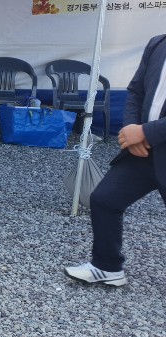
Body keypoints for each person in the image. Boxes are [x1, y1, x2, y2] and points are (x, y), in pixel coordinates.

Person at [65, 34, 166, 287]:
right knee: (105, 199)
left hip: (149, 139)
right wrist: (133, 131)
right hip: (144, 151)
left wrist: (146, 132)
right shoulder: (158, 43)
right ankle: (107, 267)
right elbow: (136, 91)